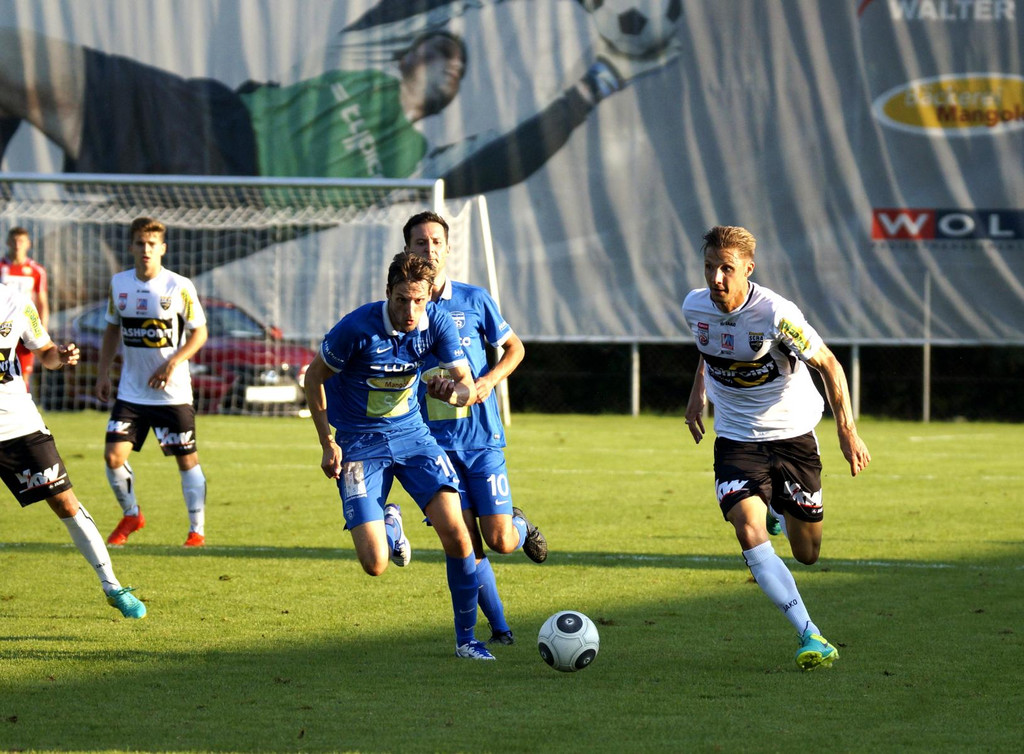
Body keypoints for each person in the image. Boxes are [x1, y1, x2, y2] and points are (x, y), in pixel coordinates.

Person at [0, 12, 677, 197]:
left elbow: (507, 161)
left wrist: (599, 81)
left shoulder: (414, 164)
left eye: (458, 67)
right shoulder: (351, 62)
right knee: (11, 55)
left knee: (41, 284)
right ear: (407, 53)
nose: (451, 63)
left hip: (230, 208)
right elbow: (410, 10)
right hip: (203, 119)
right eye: (440, 49)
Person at [681, 225, 871, 671]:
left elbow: (828, 363)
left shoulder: (776, 314)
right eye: (709, 267)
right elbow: (710, 347)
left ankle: (777, 511)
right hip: (736, 439)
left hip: (793, 437)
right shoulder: (694, 306)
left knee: (807, 553)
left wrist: (847, 430)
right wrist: (698, 393)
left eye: (726, 269)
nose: (716, 278)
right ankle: (810, 633)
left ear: (748, 268)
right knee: (747, 530)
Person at [303, 251, 494, 660]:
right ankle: (390, 522)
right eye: (402, 300)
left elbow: (466, 385)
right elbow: (313, 375)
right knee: (375, 563)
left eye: (419, 301)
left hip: (413, 436)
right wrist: (327, 442)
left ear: (428, 297)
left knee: (457, 533)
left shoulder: (436, 323)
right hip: (358, 443)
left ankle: (467, 641)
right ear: (388, 292)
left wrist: (453, 393)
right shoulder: (356, 328)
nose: (410, 311)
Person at [402, 210, 546, 647]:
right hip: (432, 447)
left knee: (499, 539)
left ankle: (520, 525)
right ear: (408, 250)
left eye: (436, 242)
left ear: (448, 248)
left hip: (481, 439)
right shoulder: (401, 308)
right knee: (461, 542)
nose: (430, 249)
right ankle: (499, 629)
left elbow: (515, 348)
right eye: (421, 243)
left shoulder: (474, 300)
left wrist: (487, 381)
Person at [0, 280, 145, 619]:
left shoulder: (15, 301)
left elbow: (46, 351)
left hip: (18, 425)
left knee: (65, 502)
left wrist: (61, 357)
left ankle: (112, 586)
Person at [96, 217, 209, 548]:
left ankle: (196, 531)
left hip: (172, 394)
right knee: (113, 457)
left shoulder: (179, 286)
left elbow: (200, 333)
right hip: (131, 392)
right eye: (140, 243)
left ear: (163, 249)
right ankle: (132, 514)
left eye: (152, 244)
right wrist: (103, 372)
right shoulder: (119, 283)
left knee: (186, 460)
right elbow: (112, 328)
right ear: (131, 247)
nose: (146, 249)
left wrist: (173, 362)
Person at [0, 227, 50, 389]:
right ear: (7, 242)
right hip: (4, 326)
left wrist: (43, 329)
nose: (17, 245)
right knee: (3, 373)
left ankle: (22, 399)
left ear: (28, 244)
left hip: (26, 325)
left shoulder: (37, 270)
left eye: (21, 241)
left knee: (23, 375)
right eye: (14, 241)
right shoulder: (1, 266)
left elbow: (42, 302)